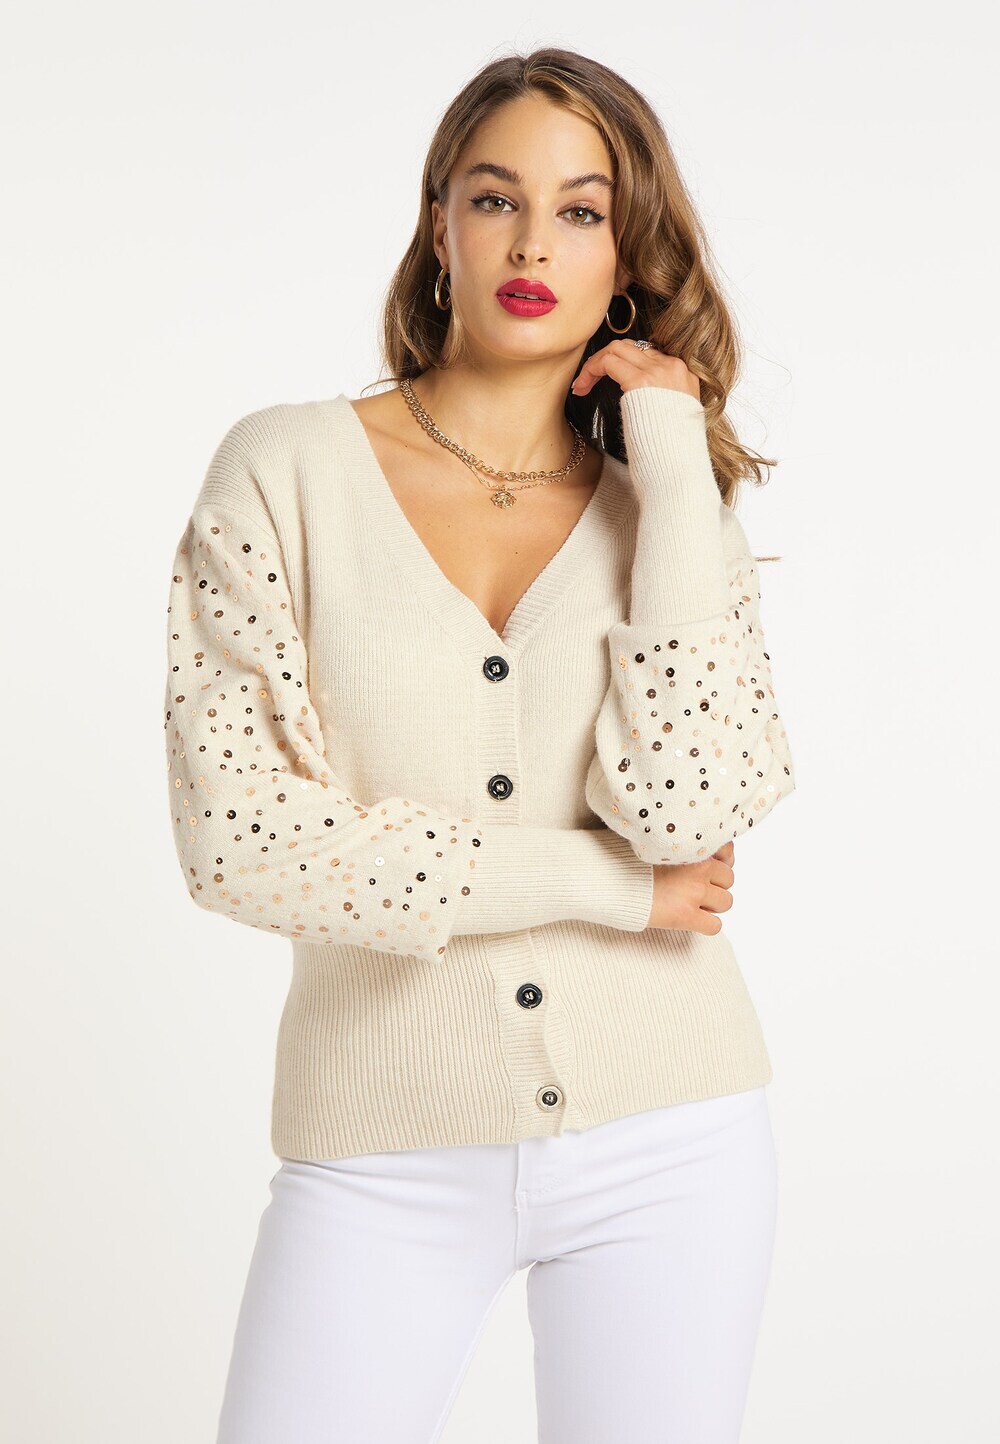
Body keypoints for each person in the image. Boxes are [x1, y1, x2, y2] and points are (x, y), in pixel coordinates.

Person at [163, 45, 796, 1444]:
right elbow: (242, 845)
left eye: (582, 210)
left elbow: (687, 814)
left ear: (626, 254)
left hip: (672, 1135)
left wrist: (673, 461)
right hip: (380, 1145)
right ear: (438, 222)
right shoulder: (284, 471)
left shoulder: (666, 505)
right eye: (496, 197)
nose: (532, 244)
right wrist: (607, 889)